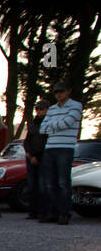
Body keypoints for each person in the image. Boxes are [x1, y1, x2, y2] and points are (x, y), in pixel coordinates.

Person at [39, 81, 83, 225]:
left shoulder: (76, 106)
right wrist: (56, 125)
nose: (58, 94)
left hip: (65, 148)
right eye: (56, 92)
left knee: (63, 182)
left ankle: (65, 212)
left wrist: (52, 125)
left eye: (61, 91)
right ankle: (54, 211)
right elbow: (42, 129)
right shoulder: (51, 109)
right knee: (50, 183)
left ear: (68, 91)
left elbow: (67, 123)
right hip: (50, 148)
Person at [24, 97, 50, 220]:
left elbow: (46, 143)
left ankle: (43, 211)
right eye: (37, 109)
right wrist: (29, 154)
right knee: (31, 185)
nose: (39, 111)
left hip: (43, 157)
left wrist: (37, 156)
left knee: (42, 185)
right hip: (31, 157)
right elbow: (27, 141)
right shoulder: (32, 125)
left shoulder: (49, 124)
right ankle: (32, 211)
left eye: (42, 109)